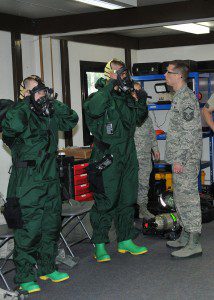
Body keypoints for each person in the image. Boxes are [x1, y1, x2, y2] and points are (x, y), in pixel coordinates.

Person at [2, 76, 79, 293]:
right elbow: (11, 128)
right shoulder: (18, 112)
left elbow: (71, 119)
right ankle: (25, 276)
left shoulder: (49, 113)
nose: (40, 94)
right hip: (27, 180)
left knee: (50, 226)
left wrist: (52, 102)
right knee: (29, 229)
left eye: (42, 90)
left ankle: (47, 267)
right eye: (35, 90)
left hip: (50, 178)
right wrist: (27, 103)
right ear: (24, 93)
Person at [83, 59, 148, 263]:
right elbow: (93, 110)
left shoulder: (125, 96)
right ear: (108, 74)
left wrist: (140, 100)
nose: (122, 76)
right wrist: (111, 86)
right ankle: (100, 244)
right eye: (118, 72)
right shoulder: (99, 96)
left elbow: (139, 118)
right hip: (107, 154)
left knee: (127, 198)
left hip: (128, 152)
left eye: (124, 72)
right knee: (106, 200)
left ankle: (125, 239)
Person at [164, 60, 202, 258]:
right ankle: (186, 234)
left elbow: (189, 134)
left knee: (188, 198)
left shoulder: (186, 98)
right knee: (180, 197)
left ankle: (195, 242)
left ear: (179, 76)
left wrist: (180, 159)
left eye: (169, 72)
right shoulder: (178, 96)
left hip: (185, 159)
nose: (165, 75)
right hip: (180, 158)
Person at [134, 82, 160, 219]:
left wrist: (155, 149)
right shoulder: (127, 112)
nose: (139, 95)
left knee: (144, 183)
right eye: (137, 92)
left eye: (140, 92)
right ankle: (128, 213)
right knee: (131, 184)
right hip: (131, 156)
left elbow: (151, 133)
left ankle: (142, 208)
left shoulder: (145, 114)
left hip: (145, 155)